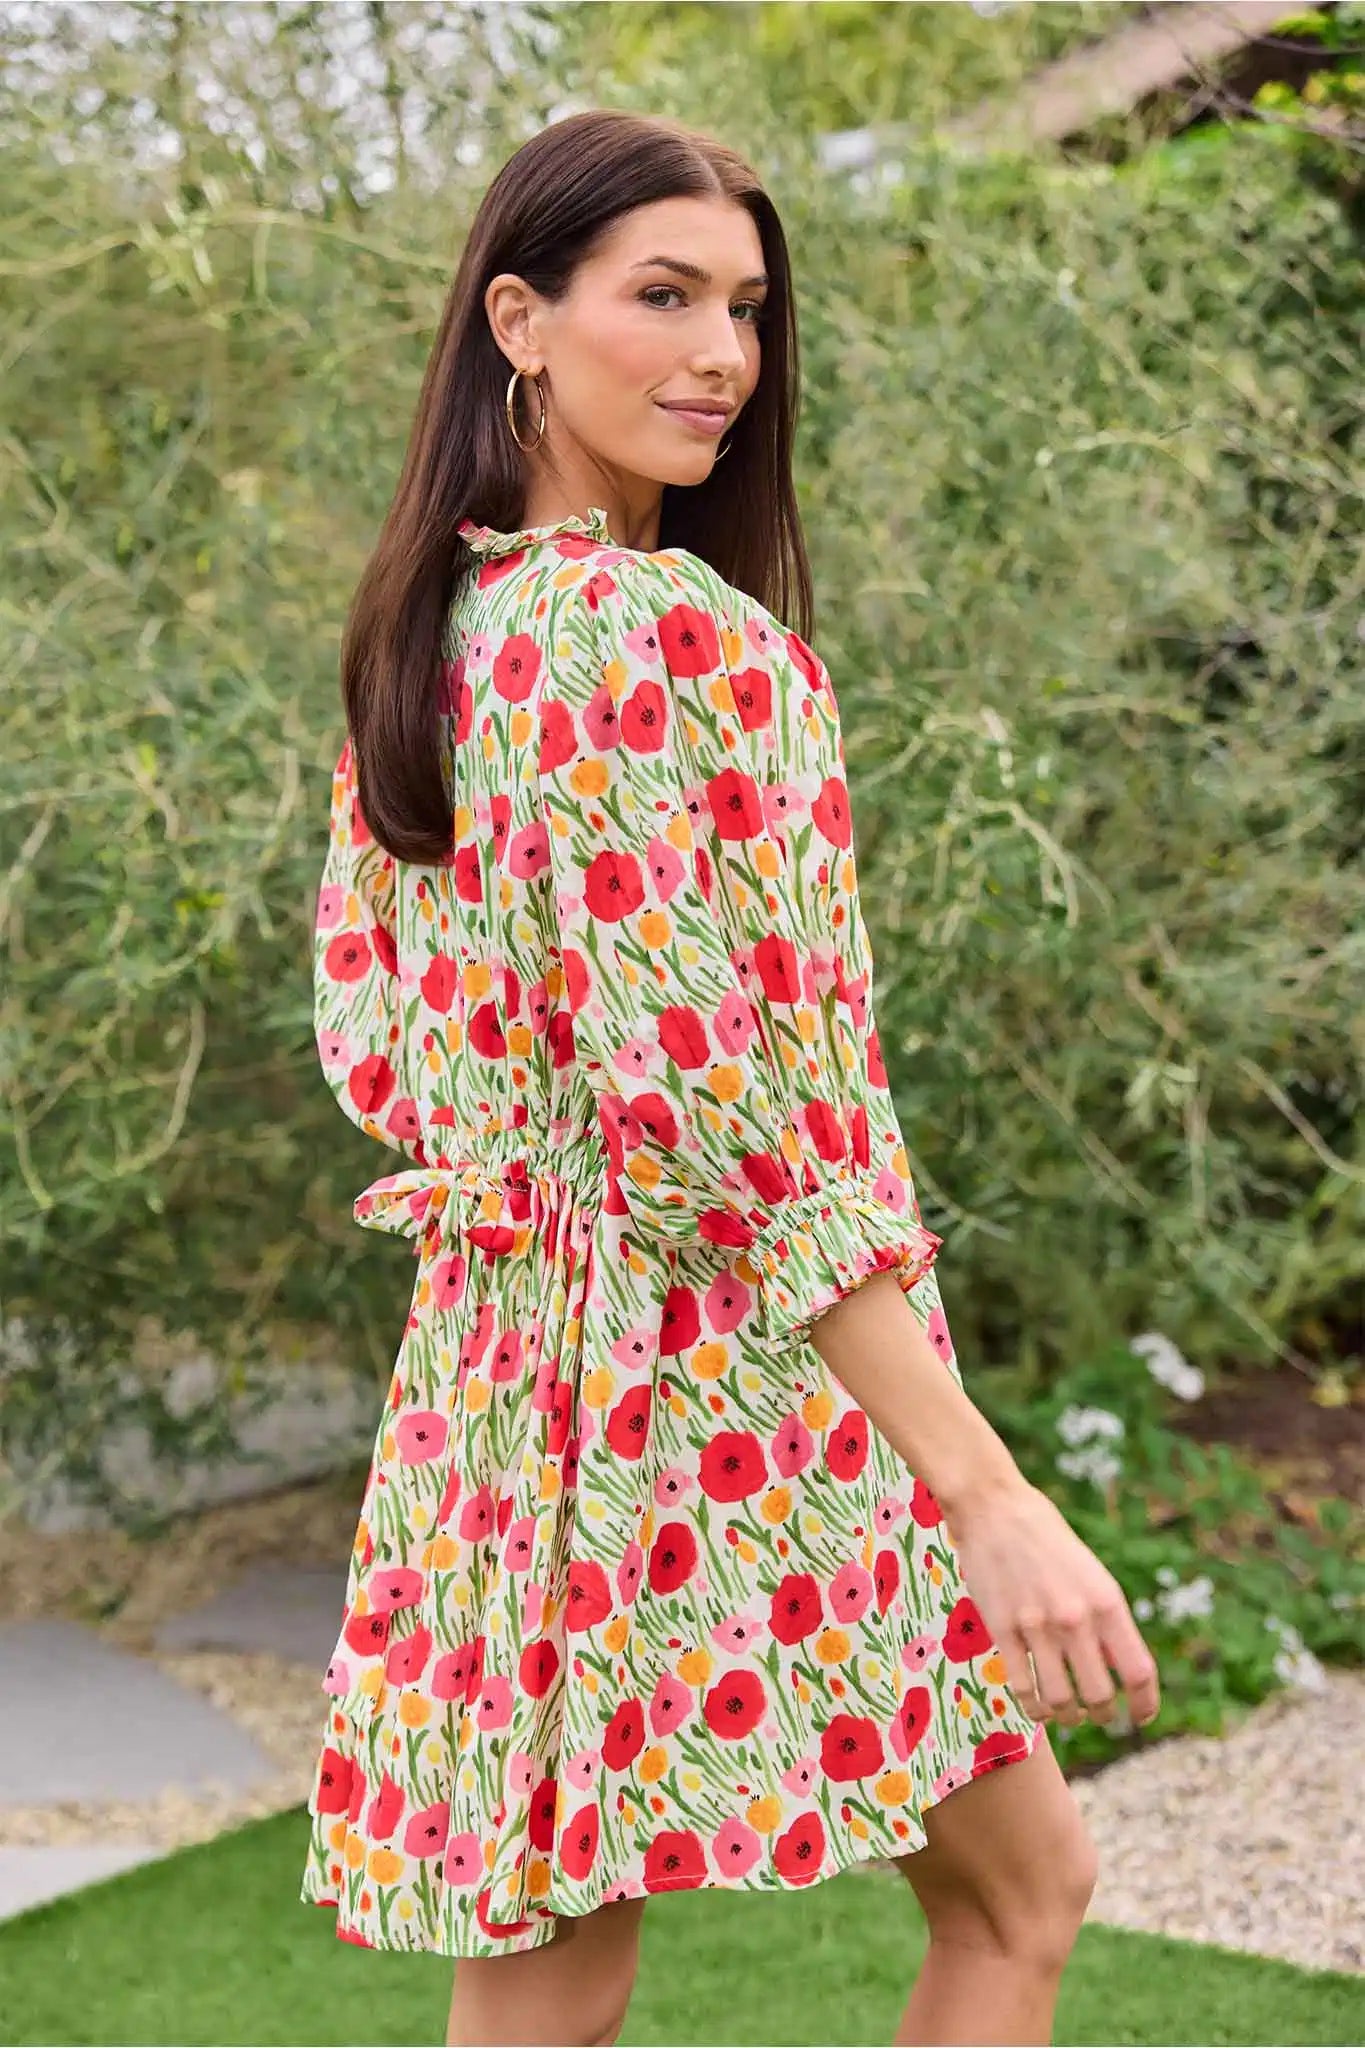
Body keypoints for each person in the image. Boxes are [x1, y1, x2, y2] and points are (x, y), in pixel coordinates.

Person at [299, 108, 1161, 2048]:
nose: (717, 356)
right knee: (1018, 1892)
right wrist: (982, 1482)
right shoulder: (647, 634)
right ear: (518, 320)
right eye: (660, 296)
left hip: (509, 1380)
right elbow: (715, 1118)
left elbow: (379, 1041)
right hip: (742, 1365)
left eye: (745, 307)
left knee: (548, 1969)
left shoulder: (431, 637)